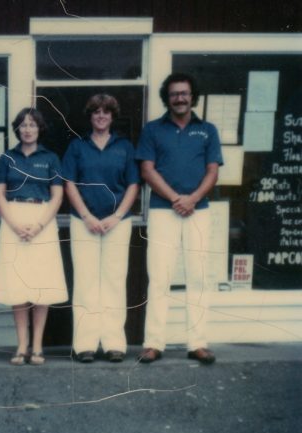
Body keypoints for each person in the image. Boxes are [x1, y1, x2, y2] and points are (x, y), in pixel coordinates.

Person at [136, 73, 222, 364]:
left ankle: (197, 343)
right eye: (174, 94)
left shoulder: (208, 129)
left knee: (198, 276)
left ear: (192, 96)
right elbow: (147, 170)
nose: (180, 98)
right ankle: (153, 343)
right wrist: (175, 198)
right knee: (159, 277)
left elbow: (212, 170)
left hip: (199, 210)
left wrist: (193, 198)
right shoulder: (152, 130)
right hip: (163, 210)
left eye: (184, 93)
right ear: (167, 98)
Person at [62, 94, 140, 364]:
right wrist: (85, 215)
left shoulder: (125, 147)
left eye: (106, 112)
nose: (101, 116)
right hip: (83, 222)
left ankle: (113, 343)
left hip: (117, 223)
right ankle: (85, 344)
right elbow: (68, 183)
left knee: (114, 281)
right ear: (90, 116)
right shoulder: (77, 146)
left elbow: (133, 184)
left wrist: (117, 216)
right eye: (96, 112)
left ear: (112, 116)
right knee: (85, 282)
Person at [0, 107, 68, 366]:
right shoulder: (6, 158)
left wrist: (38, 225)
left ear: (39, 128)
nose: (27, 129)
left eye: (32, 124)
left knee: (40, 285)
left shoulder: (51, 158)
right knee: (18, 285)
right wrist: (13, 223)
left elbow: (57, 195)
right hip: (13, 219)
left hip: (42, 220)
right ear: (17, 129)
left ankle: (37, 346)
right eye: (23, 125)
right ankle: (22, 345)